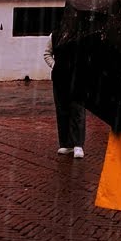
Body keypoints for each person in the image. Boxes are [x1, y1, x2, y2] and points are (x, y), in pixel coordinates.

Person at [47, 29, 86, 159]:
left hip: (78, 78)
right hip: (60, 79)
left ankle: (78, 144)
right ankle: (65, 143)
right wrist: (56, 66)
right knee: (62, 109)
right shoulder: (54, 36)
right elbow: (47, 54)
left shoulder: (81, 35)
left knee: (77, 110)